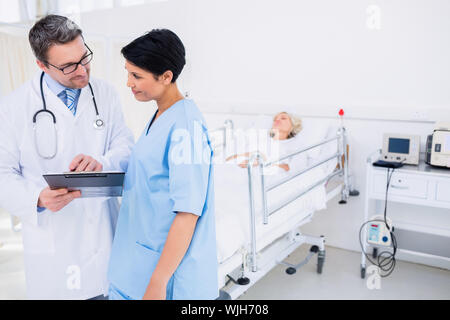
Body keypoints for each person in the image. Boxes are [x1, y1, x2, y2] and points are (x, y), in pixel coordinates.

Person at [0, 15, 134, 299]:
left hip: (105, 240)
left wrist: (103, 162)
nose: (83, 71)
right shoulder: (13, 108)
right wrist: (37, 197)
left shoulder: (105, 94)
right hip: (54, 250)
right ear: (41, 65)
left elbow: (125, 145)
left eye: (84, 57)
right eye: (69, 66)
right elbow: (2, 174)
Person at [107, 29, 218, 300]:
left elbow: (188, 212)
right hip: (136, 262)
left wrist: (158, 282)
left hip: (166, 279)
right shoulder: (160, 114)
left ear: (167, 76)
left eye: (137, 76)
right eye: (128, 73)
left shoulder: (185, 126)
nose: (128, 82)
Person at [226, 111, 304, 172]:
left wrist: (263, 161)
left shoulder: (296, 146)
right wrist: (242, 156)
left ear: (293, 125)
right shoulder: (263, 140)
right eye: (275, 119)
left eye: (283, 118)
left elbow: (293, 169)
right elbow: (231, 159)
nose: (277, 120)